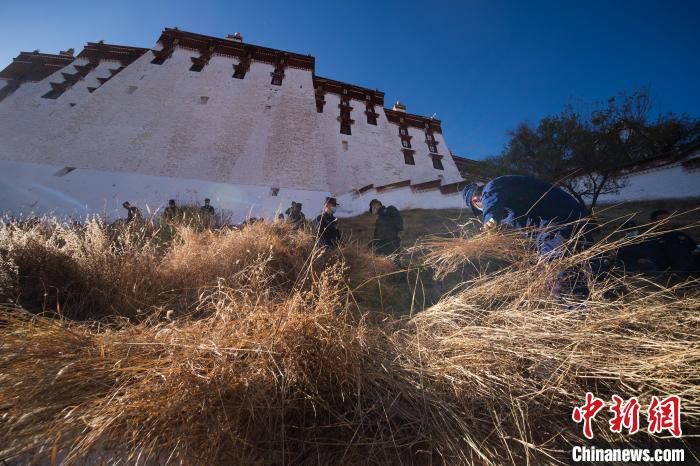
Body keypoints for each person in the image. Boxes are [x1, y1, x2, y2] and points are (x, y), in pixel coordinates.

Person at [464, 175, 593, 298]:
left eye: (479, 208)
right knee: (588, 267)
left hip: (556, 225)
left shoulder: (492, 187)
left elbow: (491, 202)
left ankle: (574, 315)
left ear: (475, 200)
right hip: (574, 220)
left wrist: (489, 219)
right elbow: (529, 226)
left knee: (558, 276)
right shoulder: (511, 197)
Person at [645, 210, 698, 274]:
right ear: (654, 223)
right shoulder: (650, 240)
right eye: (663, 220)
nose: (667, 222)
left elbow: (694, 249)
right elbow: (658, 262)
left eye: (669, 219)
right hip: (673, 275)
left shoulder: (680, 235)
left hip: (694, 271)